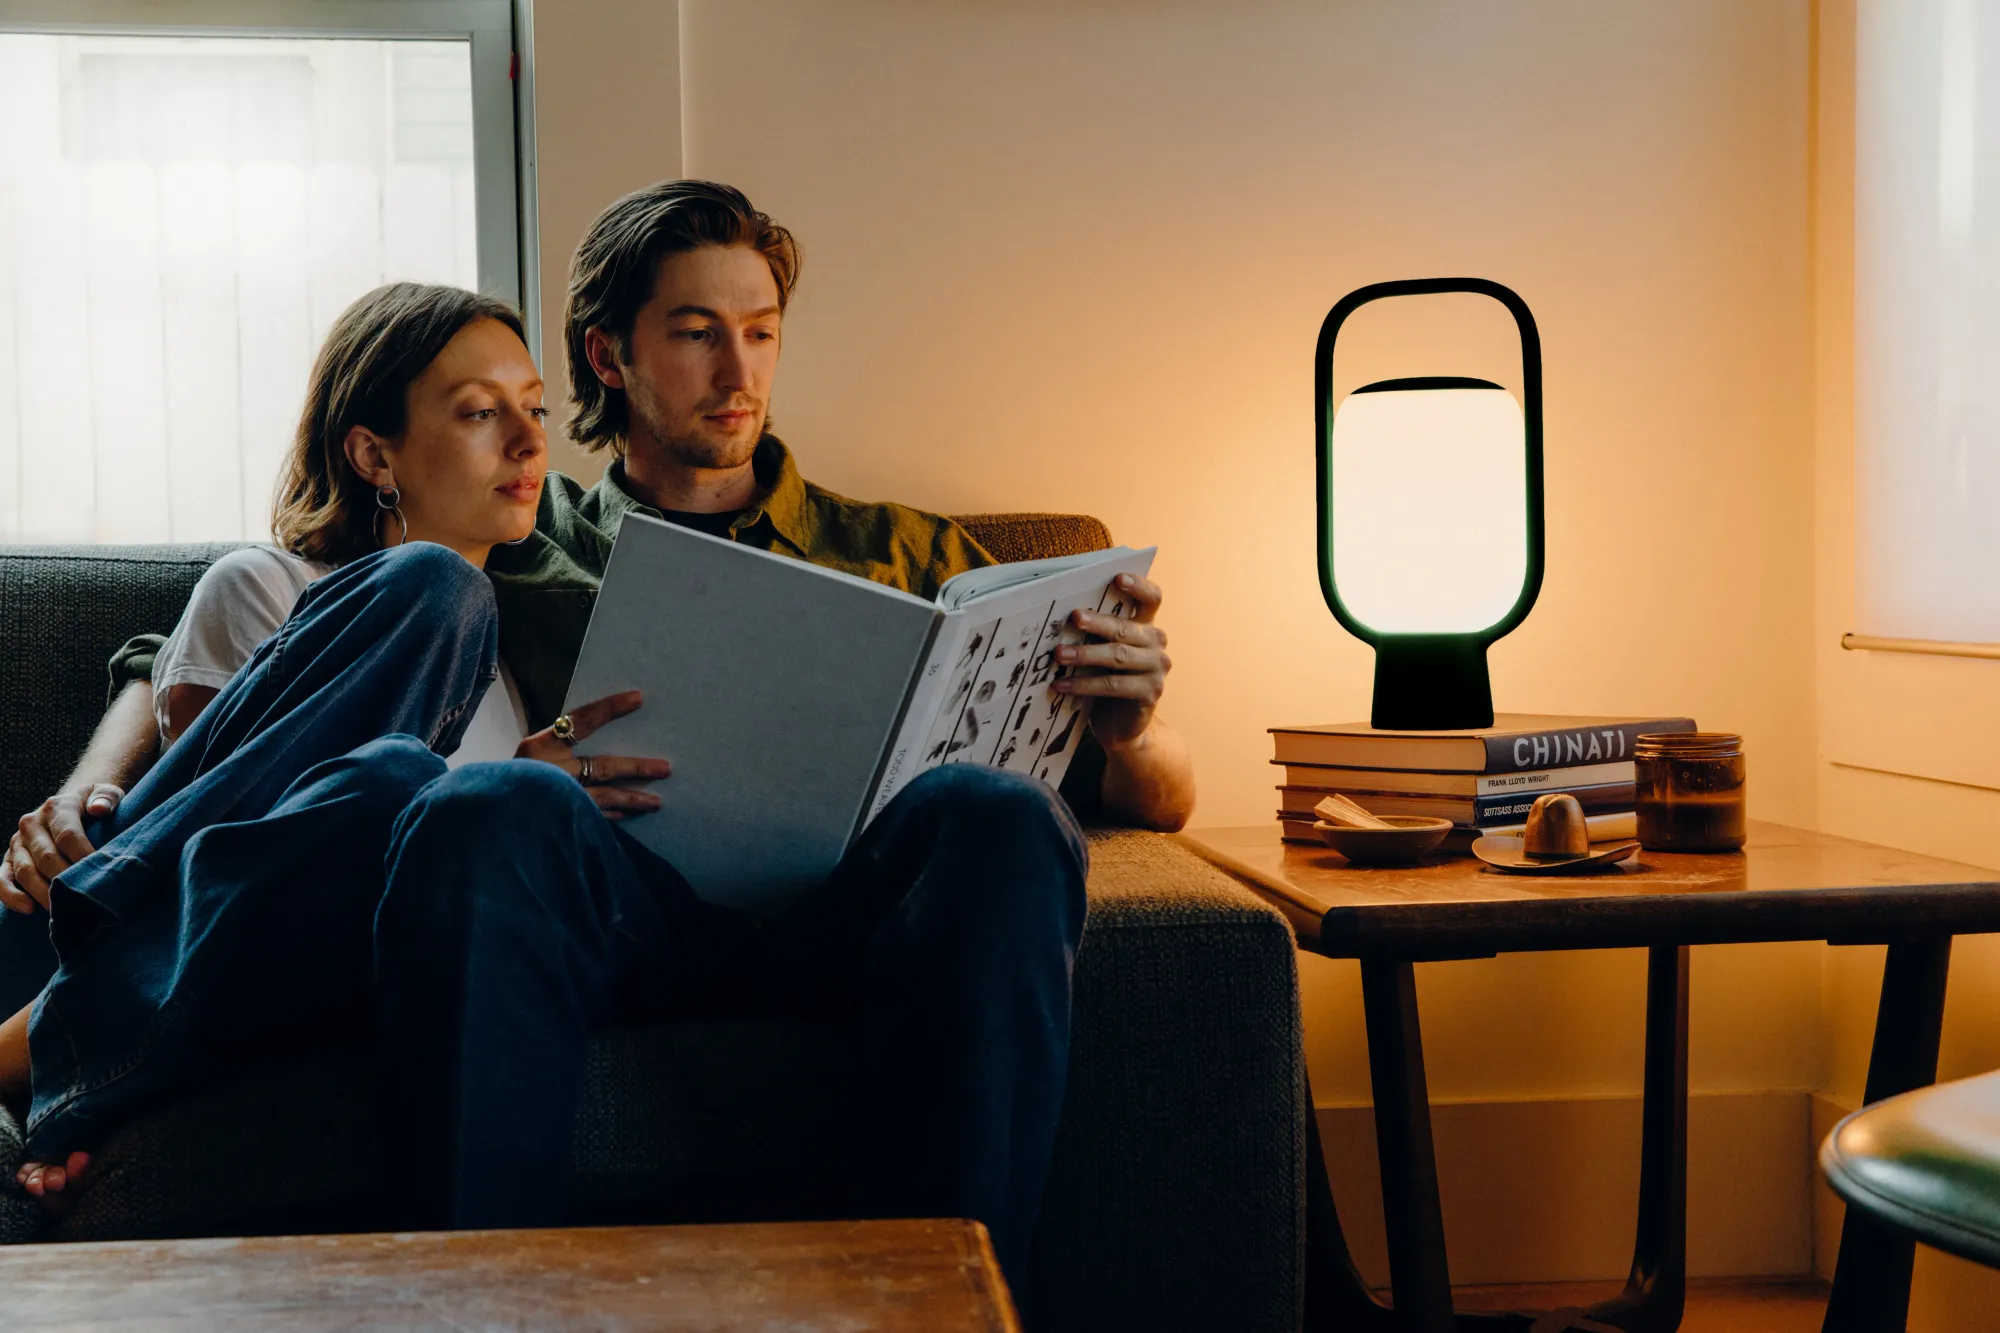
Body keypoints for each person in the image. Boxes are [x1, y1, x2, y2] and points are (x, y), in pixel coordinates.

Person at [3, 182, 1194, 1279]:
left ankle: (940, 1300)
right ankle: (477, 1301)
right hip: (620, 914)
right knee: (487, 800)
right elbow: (261, 641)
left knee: (1001, 812)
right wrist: (89, 783)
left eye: (762, 329)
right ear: (609, 354)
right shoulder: (515, 529)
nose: (738, 368)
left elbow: (1159, 797)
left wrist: (1129, 726)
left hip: (849, 914)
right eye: (693, 331)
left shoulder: (909, 550)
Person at [0, 282, 656, 1200]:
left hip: (357, 973)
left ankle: (57, 1046)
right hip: (177, 929)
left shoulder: (522, 651)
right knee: (430, 606)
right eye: (479, 412)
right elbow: (223, 838)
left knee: (406, 775)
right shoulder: (268, 585)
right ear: (372, 452)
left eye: (536, 408)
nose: (529, 440)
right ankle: (61, 1019)